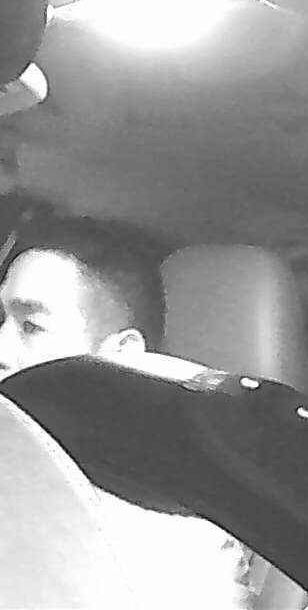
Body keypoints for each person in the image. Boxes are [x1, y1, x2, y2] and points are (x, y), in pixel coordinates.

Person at [0, 212, 254, 609]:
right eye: (1, 321)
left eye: (31, 326)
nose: (1, 348)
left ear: (120, 357)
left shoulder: (170, 538)